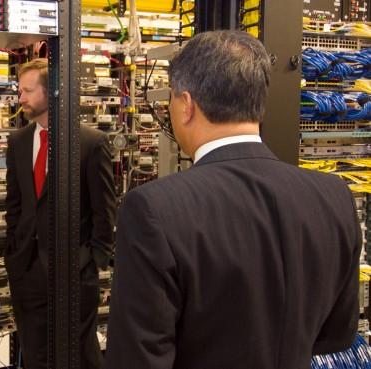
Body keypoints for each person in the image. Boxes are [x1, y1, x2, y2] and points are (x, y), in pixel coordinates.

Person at [104, 30, 361, 369]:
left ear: (186, 105)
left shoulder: (153, 209)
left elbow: (136, 358)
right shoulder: (334, 196)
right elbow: (338, 334)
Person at [5, 59, 116, 369]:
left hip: (74, 269)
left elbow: (104, 210)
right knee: (35, 352)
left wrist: (94, 261)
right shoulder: (19, 141)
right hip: (27, 268)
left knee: (81, 354)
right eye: (19, 91)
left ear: (51, 91)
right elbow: (15, 205)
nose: (21, 98)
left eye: (27, 91)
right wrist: (13, 251)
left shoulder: (91, 143)